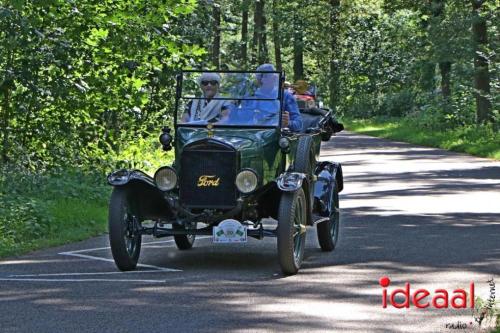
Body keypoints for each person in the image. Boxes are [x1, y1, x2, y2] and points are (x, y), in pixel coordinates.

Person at [231, 64, 302, 131]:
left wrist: (288, 123)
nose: (261, 80)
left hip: (273, 137)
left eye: (265, 76)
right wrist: (232, 109)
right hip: (250, 135)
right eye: (260, 76)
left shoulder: (285, 96)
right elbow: (240, 119)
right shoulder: (250, 95)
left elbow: (299, 124)